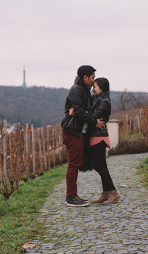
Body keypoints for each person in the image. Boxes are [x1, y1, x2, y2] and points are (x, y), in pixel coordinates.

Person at [61, 65, 105, 207]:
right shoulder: (77, 89)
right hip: (73, 132)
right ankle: (70, 196)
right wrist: (94, 121)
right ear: (85, 77)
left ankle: (73, 195)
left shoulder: (83, 89)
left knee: (76, 163)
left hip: (79, 131)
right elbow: (78, 111)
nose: (93, 81)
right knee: (73, 164)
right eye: (92, 78)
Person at [77, 77, 121, 204]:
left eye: (95, 87)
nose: (93, 89)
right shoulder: (96, 99)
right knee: (102, 165)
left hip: (99, 135)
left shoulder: (104, 101)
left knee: (98, 165)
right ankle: (106, 192)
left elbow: (93, 115)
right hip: (94, 134)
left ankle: (113, 192)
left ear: (101, 88)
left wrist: (84, 113)